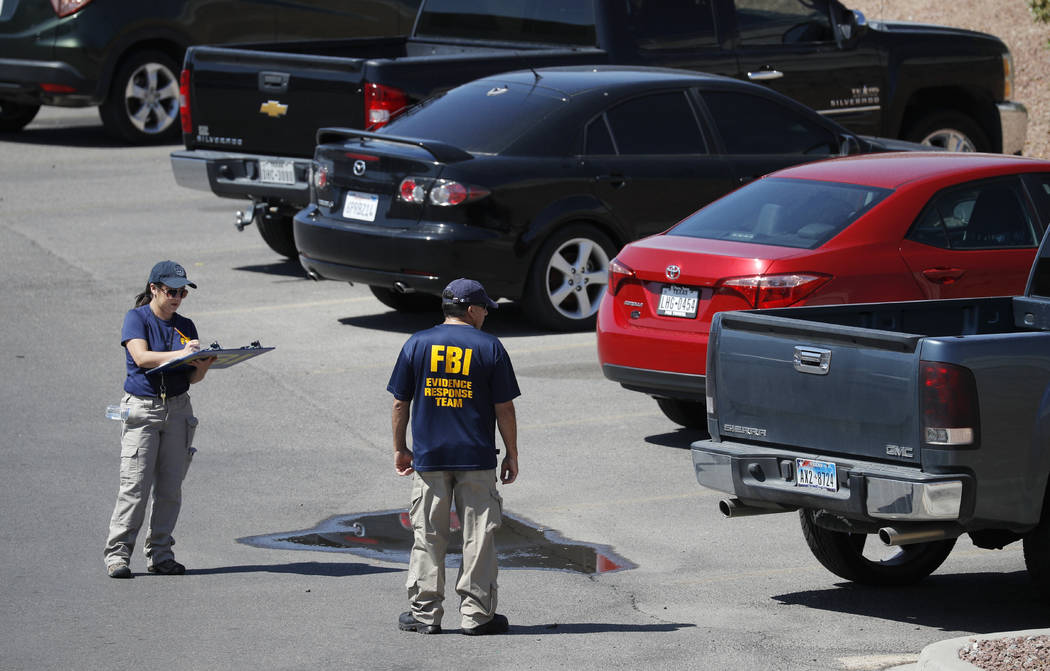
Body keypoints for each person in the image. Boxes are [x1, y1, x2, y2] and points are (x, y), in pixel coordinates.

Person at [387, 278, 521, 635]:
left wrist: (401, 447)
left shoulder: (417, 343)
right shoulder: (489, 347)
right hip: (476, 458)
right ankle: (477, 616)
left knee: (428, 535)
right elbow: (504, 407)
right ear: (473, 310)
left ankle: (425, 614)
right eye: (485, 310)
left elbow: (401, 401)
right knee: (478, 537)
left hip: (429, 458)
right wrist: (512, 453)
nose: (486, 316)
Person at [104, 261, 215, 579]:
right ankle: (117, 555)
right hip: (143, 409)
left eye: (182, 292)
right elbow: (140, 356)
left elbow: (192, 377)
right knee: (134, 488)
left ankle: (161, 554)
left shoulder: (186, 325)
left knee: (170, 488)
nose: (177, 297)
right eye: (171, 291)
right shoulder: (136, 318)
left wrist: (203, 364)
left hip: (178, 409)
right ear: (154, 289)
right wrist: (182, 354)